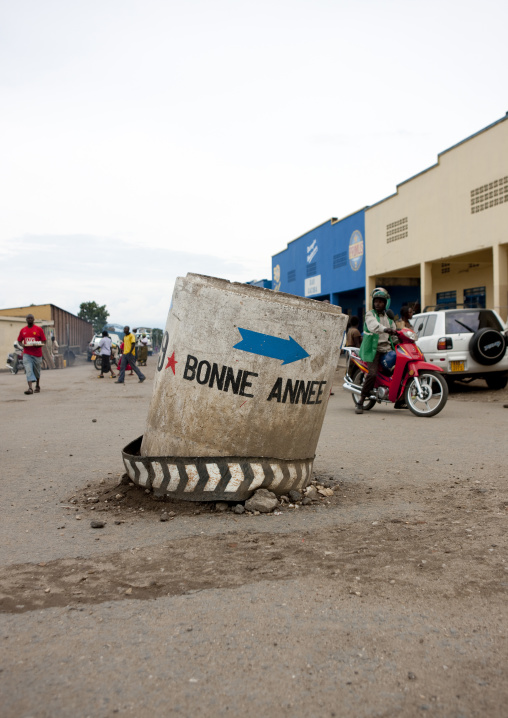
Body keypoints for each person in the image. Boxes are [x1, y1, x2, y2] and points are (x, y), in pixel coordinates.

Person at [355, 288, 397, 414]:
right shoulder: (370, 314)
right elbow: (373, 326)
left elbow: (395, 334)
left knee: (400, 370)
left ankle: (400, 399)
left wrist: (400, 337)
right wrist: (385, 330)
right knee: (372, 374)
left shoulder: (389, 318)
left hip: (387, 349)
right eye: (376, 301)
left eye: (381, 302)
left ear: (386, 303)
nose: (378, 304)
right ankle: (361, 401)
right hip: (374, 351)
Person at [17, 314, 46, 395]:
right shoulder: (23, 330)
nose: (30, 319)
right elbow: (19, 340)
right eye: (28, 318)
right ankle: (30, 388)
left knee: (37, 371)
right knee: (28, 369)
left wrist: (39, 344)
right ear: (26, 320)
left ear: (33, 320)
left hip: (37, 354)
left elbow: (44, 341)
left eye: (31, 318)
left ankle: (37, 385)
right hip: (27, 353)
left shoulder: (39, 329)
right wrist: (22, 344)